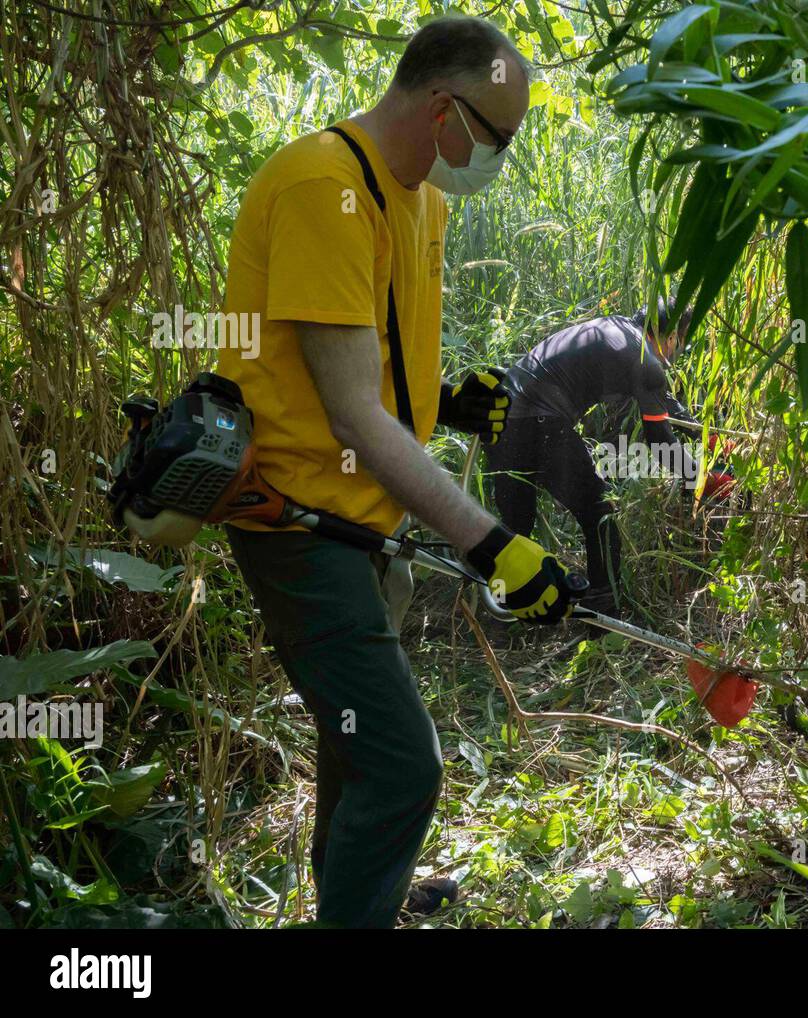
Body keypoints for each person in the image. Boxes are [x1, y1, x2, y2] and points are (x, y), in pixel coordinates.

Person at [214, 15, 581, 929]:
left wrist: (448, 400)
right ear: (443, 108)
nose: (497, 157)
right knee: (404, 761)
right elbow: (347, 414)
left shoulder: (419, 198)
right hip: (297, 521)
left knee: (355, 744)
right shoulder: (320, 188)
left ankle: (356, 892)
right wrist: (496, 546)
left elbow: (367, 369)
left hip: (365, 516)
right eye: (497, 138)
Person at [485, 299, 733, 610]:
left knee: (517, 523)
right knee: (599, 512)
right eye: (680, 343)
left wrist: (709, 437)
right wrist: (702, 483)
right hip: (537, 422)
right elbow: (660, 441)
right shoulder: (643, 357)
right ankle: (603, 615)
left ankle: (502, 604)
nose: (677, 352)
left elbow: (664, 402)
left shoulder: (618, 330)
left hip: (496, 416)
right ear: (670, 337)